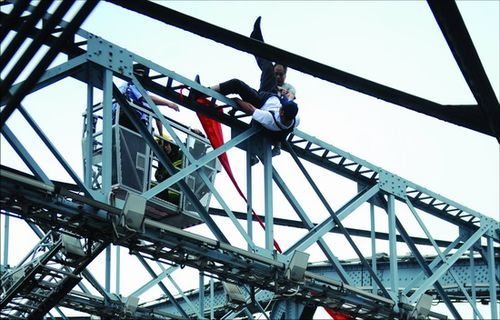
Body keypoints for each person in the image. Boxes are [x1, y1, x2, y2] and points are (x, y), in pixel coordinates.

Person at [113, 63, 179, 136]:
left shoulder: (142, 90)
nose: (141, 76)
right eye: (139, 73)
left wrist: (161, 136)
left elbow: (157, 115)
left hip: (131, 119)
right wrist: (168, 103)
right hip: (128, 116)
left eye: (142, 74)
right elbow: (145, 97)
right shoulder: (131, 83)